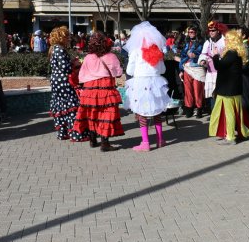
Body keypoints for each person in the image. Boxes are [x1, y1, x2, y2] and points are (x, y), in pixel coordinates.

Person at [123, 22, 172, 152]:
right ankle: (160, 140)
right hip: (156, 83)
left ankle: (145, 142)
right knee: (157, 112)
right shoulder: (158, 51)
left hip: (140, 83)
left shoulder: (135, 51)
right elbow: (162, 70)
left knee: (142, 113)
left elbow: (129, 71)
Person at [74, 32, 124, 152]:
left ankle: (92, 139)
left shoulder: (87, 57)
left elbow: (81, 76)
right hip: (105, 88)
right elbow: (118, 73)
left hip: (89, 90)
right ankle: (105, 143)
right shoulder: (111, 56)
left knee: (92, 114)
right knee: (106, 115)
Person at [209, 29, 249, 144]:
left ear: (231, 41)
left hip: (228, 90)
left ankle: (230, 137)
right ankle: (231, 133)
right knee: (229, 112)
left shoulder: (232, 53)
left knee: (229, 113)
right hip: (230, 89)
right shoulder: (235, 53)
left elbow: (219, 66)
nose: (224, 40)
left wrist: (215, 56)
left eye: (227, 39)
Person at [48, 26, 86, 142]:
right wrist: (74, 63)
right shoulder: (59, 49)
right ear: (61, 38)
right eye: (66, 36)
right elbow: (65, 68)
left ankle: (62, 132)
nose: (69, 38)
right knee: (71, 106)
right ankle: (75, 133)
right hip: (63, 81)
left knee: (61, 106)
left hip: (57, 81)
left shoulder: (53, 49)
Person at [199, 21, 227, 114]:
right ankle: (214, 116)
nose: (211, 32)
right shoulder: (207, 42)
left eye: (213, 30)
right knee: (212, 96)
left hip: (222, 73)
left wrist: (218, 56)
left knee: (222, 96)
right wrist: (203, 61)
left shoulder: (225, 41)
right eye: (209, 30)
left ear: (218, 31)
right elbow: (203, 54)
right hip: (211, 73)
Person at [179, 26, 205, 118]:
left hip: (197, 68)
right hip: (187, 68)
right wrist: (181, 70)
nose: (190, 34)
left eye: (192, 32)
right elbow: (182, 56)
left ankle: (199, 109)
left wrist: (195, 56)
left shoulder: (202, 42)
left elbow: (204, 55)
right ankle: (189, 109)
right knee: (188, 91)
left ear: (196, 32)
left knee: (198, 90)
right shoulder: (186, 42)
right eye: (189, 32)